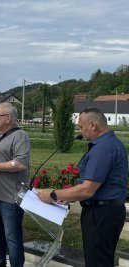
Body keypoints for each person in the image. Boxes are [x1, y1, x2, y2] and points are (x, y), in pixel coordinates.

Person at [38, 107, 127, 267]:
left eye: (81, 126)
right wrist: (66, 196)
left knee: (97, 262)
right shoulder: (108, 143)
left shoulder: (103, 148)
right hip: (105, 212)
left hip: (101, 214)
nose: (81, 131)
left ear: (93, 125)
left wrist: (53, 194)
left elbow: (87, 189)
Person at [0, 102, 30, 267]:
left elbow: (21, 163)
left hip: (10, 197)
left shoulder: (20, 136)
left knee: (12, 237)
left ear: (8, 118)